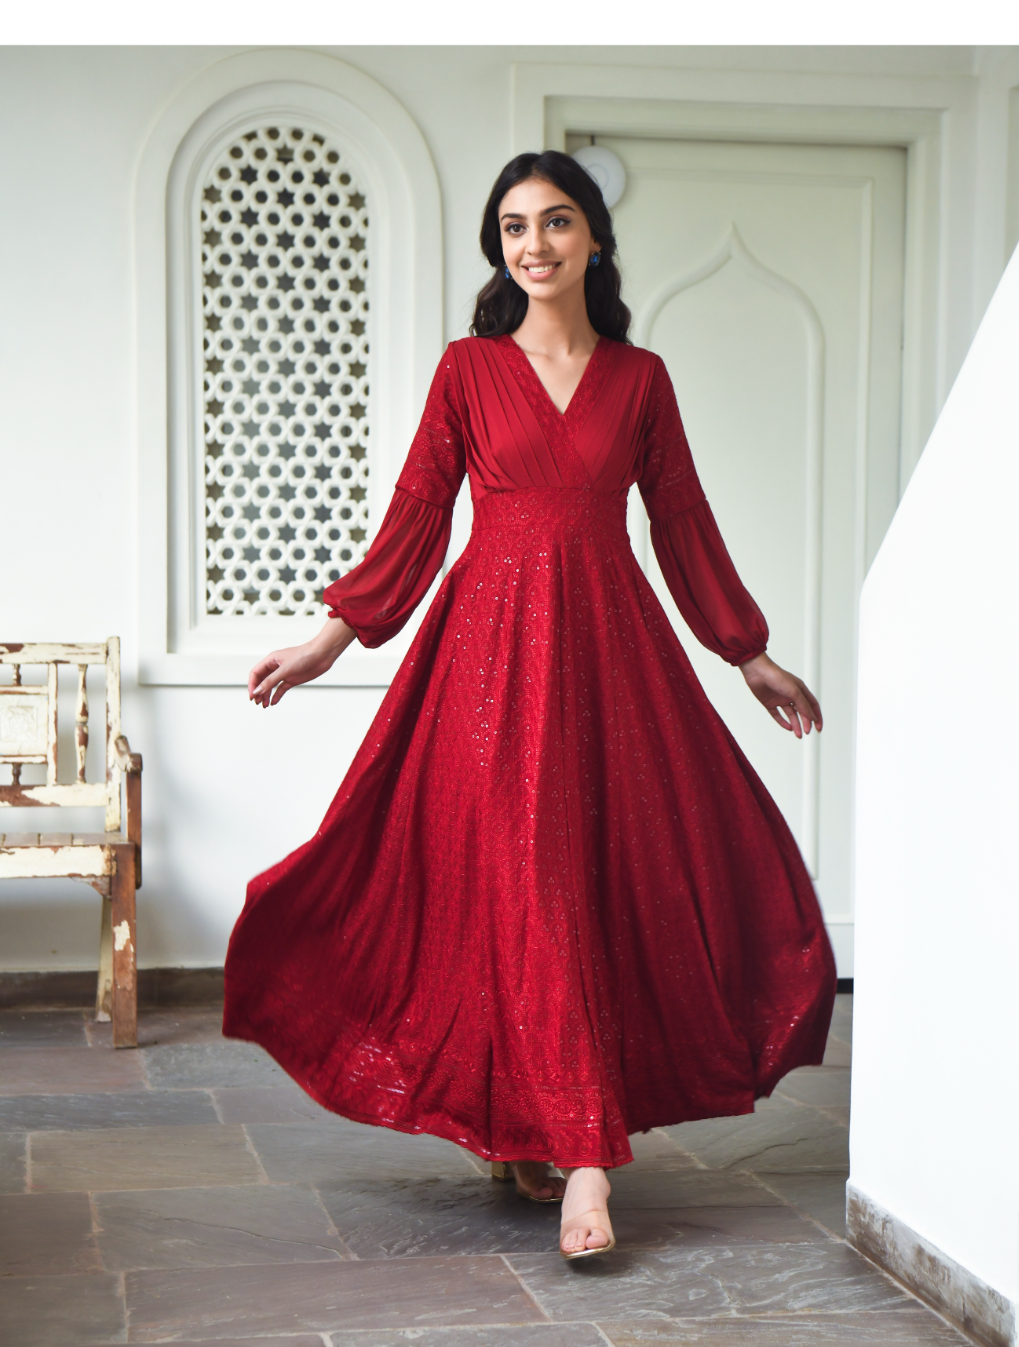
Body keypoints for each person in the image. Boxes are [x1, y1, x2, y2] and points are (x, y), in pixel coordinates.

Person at [223, 150, 835, 1261]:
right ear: (498, 247)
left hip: (609, 657)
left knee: (590, 883)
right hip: (488, 662)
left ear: (594, 237)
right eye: (513, 227)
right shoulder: (468, 369)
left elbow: (682, 521)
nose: (534, 244)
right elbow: (417, 513)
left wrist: (747, 652)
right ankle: (562, 1147)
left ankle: (575, 1149)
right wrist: (326, 640)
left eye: (556, 223)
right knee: (512, 884)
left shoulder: (641, 379)